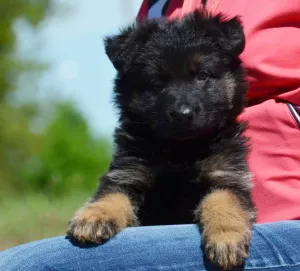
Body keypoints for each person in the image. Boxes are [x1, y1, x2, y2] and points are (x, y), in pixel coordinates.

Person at [1, 0, 300, 270]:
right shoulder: (157, 8)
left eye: (202, 76)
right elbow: (122, 188)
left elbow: (228, 190)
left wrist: (223, 226)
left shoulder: (224, 143)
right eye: (159, 82)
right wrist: (106, 209)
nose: (183, 106)